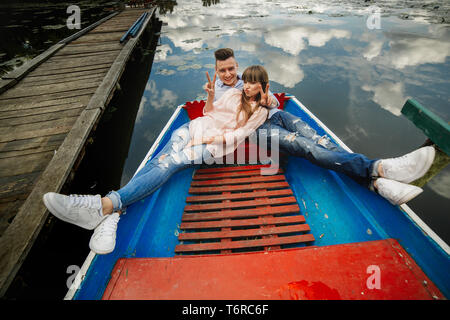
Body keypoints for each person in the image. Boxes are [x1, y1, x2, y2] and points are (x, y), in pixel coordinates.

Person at [43, 65, 273, 255]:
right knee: (162, 158)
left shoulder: (260, 110)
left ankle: (104, 205)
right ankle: (114, 212)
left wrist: (204, 139)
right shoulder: (234, 93)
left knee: (169, 162)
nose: (248, 86)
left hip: (211, 145)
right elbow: (208, 113)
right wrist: (211, 96)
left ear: (262, 86)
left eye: (254, 83)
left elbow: (237, 135)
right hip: (193, 128)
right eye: (247, 81)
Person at [206, 48, 435, 206]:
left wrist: (269, 101)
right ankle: (380, 168)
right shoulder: (217, 94)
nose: (228, 74)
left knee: (320, 141)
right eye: (222, 70)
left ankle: (374, 183)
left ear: (236, 66)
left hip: (278, 115)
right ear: (216, 70)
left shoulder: (246, 78)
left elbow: (272, 99)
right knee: (308, 148)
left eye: (231, 69)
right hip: (258, 131)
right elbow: (218, 119)